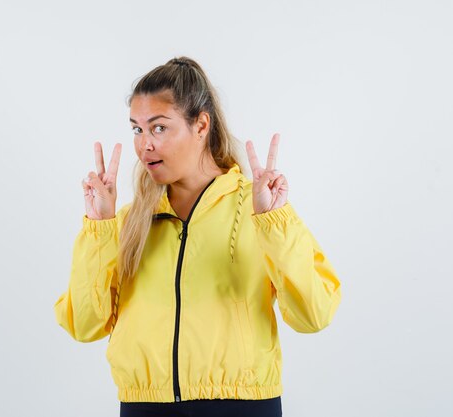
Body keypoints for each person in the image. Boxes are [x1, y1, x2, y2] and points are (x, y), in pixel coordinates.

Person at [54, 56, 342, 417]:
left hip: (241, 407)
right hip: (145, 408)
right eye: (137, 129)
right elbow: (84, 326)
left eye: (159, 128)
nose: (145, 145)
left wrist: (273, 222)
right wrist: (99, 228)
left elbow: (313, 314)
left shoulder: (260, 210)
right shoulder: (128, 222)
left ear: (201, 124)